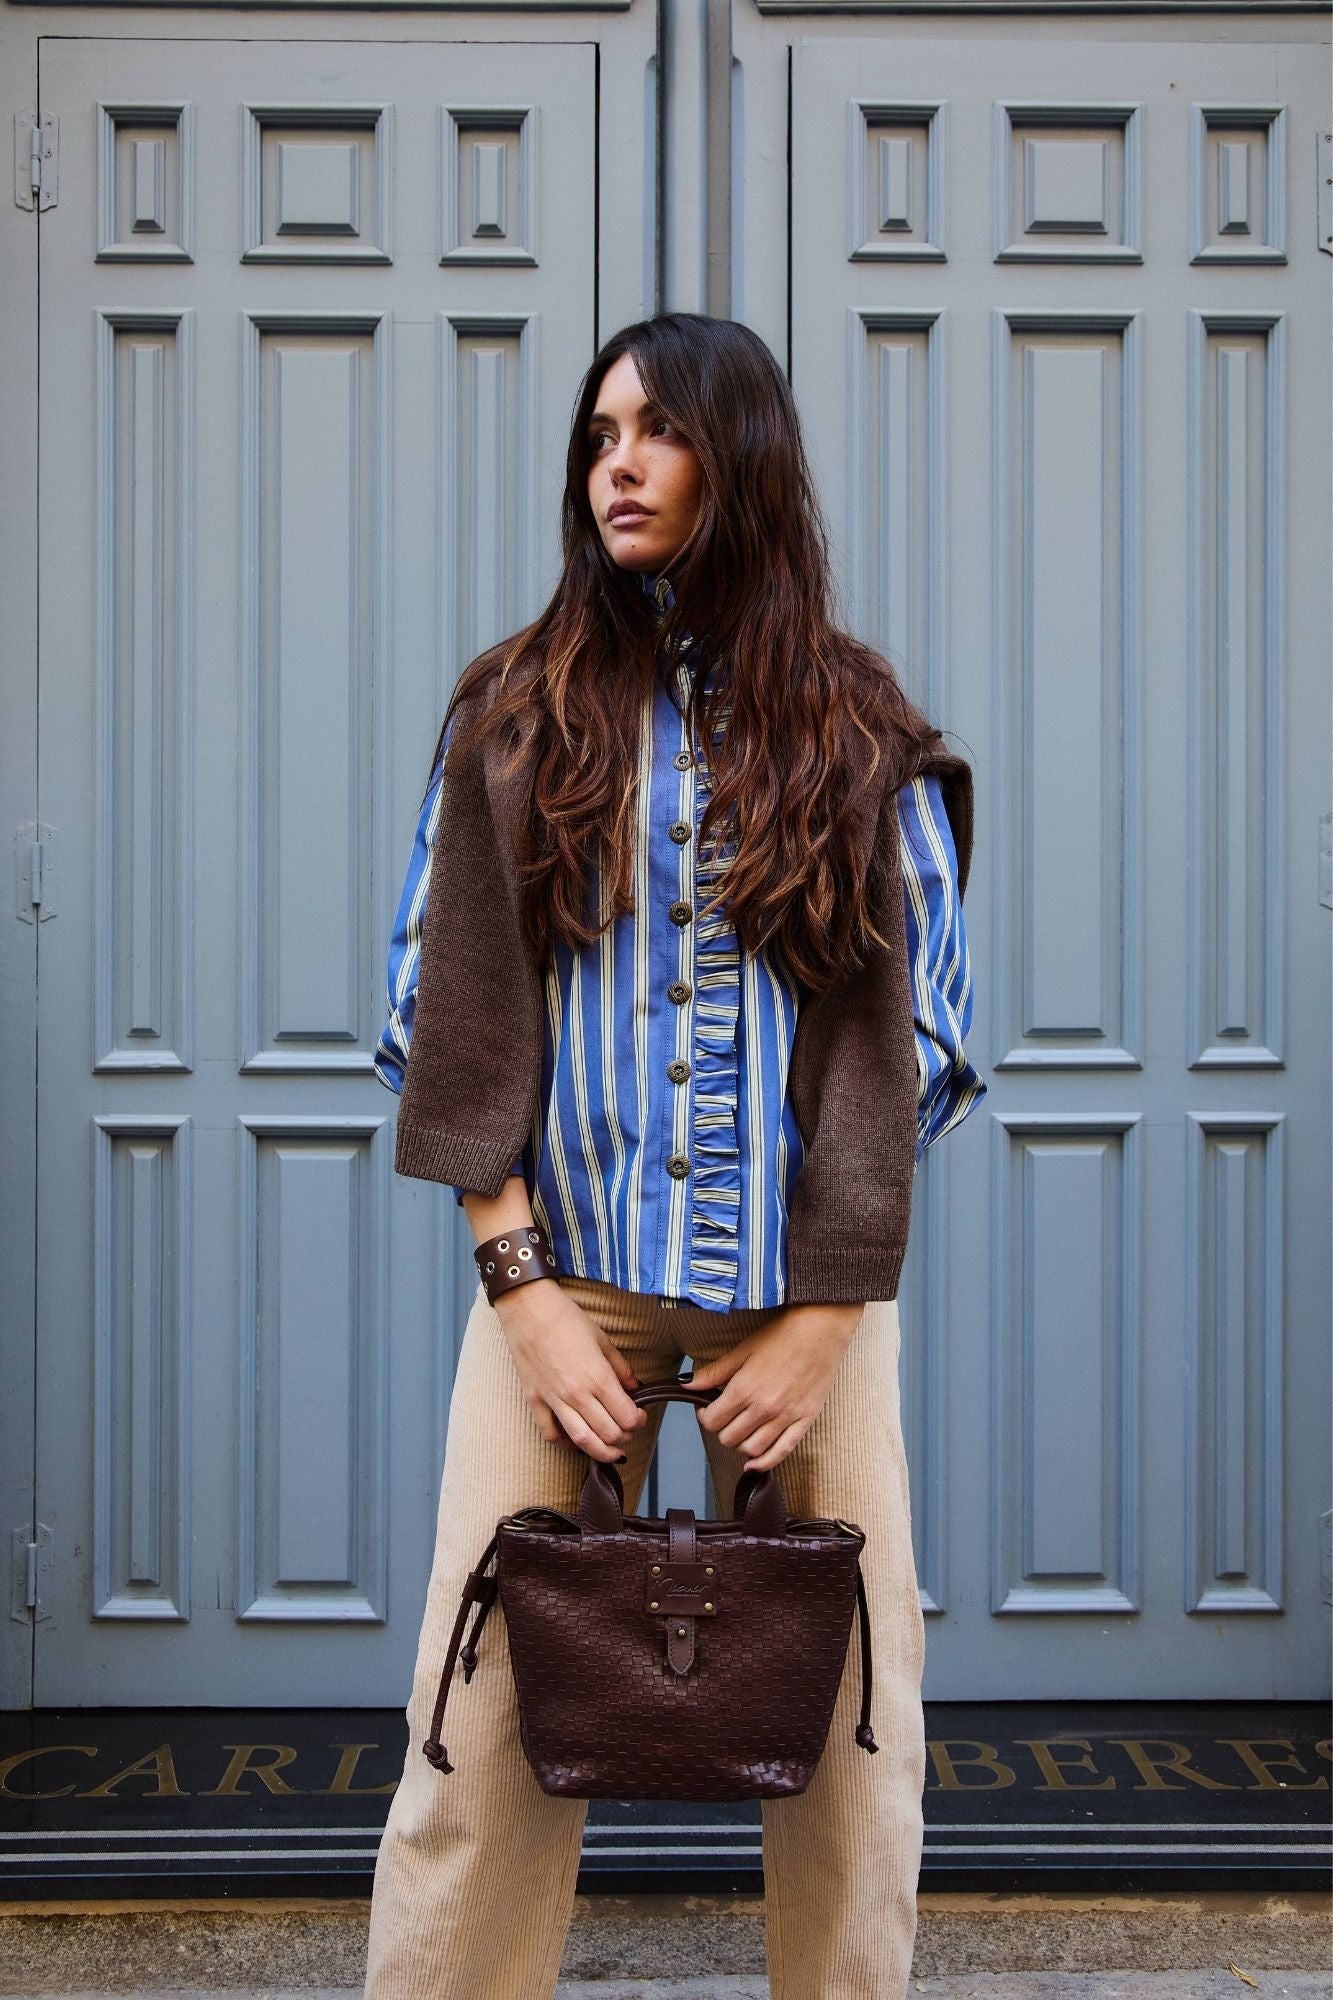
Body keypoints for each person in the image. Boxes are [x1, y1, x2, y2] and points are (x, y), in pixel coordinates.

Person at [362, 311, 986, 2000]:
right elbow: (430, 1005)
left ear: (742, 457)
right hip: (561, 1288)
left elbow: (921, 1034)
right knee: (472, 1733)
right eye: (595, 437)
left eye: (653, 432)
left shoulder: (852, 726)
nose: (614, 466)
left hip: (805, 1308)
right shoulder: (512, 708)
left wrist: (824, 1323)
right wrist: (526, 1294)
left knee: (856, 1740)